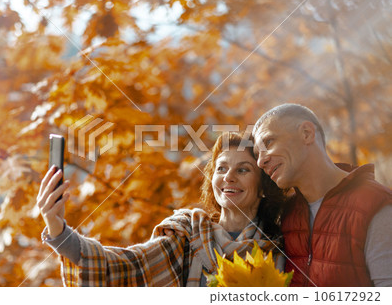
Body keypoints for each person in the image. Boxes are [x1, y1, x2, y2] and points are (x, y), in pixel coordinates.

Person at [37, 132, 287, 286]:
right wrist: (58, 230)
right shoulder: (186, 236)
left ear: (263, 185)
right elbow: (125, 268)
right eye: (221, 168)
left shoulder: (280, 248)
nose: (229, 177)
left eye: (243, 170)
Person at [252, 103, 392, 287]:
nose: (261, 162)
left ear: (307, 134)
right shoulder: (285, 216)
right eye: (256, 155)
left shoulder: (377, 204)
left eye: (268, 142)